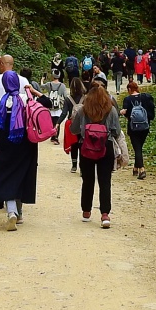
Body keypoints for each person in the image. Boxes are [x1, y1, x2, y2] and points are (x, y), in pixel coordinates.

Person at [0, 69, 38, 230]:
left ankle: (11, 212)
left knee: (6, 176)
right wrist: (34, 91)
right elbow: (46, 104)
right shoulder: (26, 100)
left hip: (5, 144)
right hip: (25, 144)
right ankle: (20, 211)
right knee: (21, 175)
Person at [70, 81, 121, 228]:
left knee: (88, 180)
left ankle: (86, 211)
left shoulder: (83, 110)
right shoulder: (111, 110)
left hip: (86, 147)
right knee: (105, 181)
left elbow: (74, 130)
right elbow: (116, 131)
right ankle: (105, 214)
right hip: (106, 146)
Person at [120, 80, 156, 179]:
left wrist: (123, 113)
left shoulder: (127, 99)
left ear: (129, 89)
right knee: (139, 147)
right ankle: (136, 167)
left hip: (133, 127)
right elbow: (151, 113)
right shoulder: (146, 97)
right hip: (145, 127)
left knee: (137, 148)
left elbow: (127, 114)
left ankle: (142, 169)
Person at [65, 75, 87, 172]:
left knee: (74, 144)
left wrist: (57, 124)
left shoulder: (68, 99)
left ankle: (74, 166)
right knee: (82, 145)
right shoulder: (85, 98)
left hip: (72, 123)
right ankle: (82, 167)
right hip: (83, 123)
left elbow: (64, 112)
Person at [44, 67, 71, 146]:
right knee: (57, 122)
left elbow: (42, 86)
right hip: (58, 106)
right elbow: (65, 96)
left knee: (52, 122)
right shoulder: (62, 86)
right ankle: (55, 137)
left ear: (52, 76)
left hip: (50, 106)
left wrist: (42, 79)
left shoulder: (48, 84)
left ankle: (52, 136)